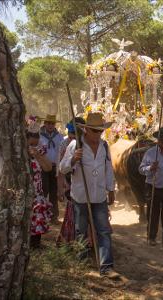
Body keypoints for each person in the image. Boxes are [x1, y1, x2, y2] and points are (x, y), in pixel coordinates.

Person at [60, 112, 118, 278]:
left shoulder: (104, 146)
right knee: (81, 230)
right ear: (86, 130)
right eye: (94, 131)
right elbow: (62, 168)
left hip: (99, 195)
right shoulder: (74, 146)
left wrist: (111, 189)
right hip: (80, 195)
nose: (98, 135)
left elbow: (108, 169)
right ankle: (82, 264)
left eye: (100, 131)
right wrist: (73, 160)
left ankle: (106, 266)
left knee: (104, 231)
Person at [56, 118, 85, 246]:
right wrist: (61, 187)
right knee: (73, 212)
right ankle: (71, 240)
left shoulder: (88, 143)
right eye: (71, 132)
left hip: (87, 186)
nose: (72, 136)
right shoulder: (65, 144)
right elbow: (61, 168)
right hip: (71, 183)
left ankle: (87, 242)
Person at [27, 117, 53, 249]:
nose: (35, 140)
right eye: (31, 137)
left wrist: (37, 155)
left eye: (37, 136)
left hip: (37, 193)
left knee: (37, 218)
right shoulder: (18, 153)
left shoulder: (40, 150)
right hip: (23, 193)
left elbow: (48, 168)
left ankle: (36, 245)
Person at [39, 114, 64, 223]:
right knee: (44, 190)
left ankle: (54, 216)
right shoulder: (39, 136)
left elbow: (62, 151)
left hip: (55, 167)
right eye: (48, 123)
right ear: (44, 124)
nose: (50, 125)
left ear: (55, 125)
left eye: (52, 123)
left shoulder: (59, 137)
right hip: (43, 167)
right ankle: (42, 215)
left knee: (54, 191)